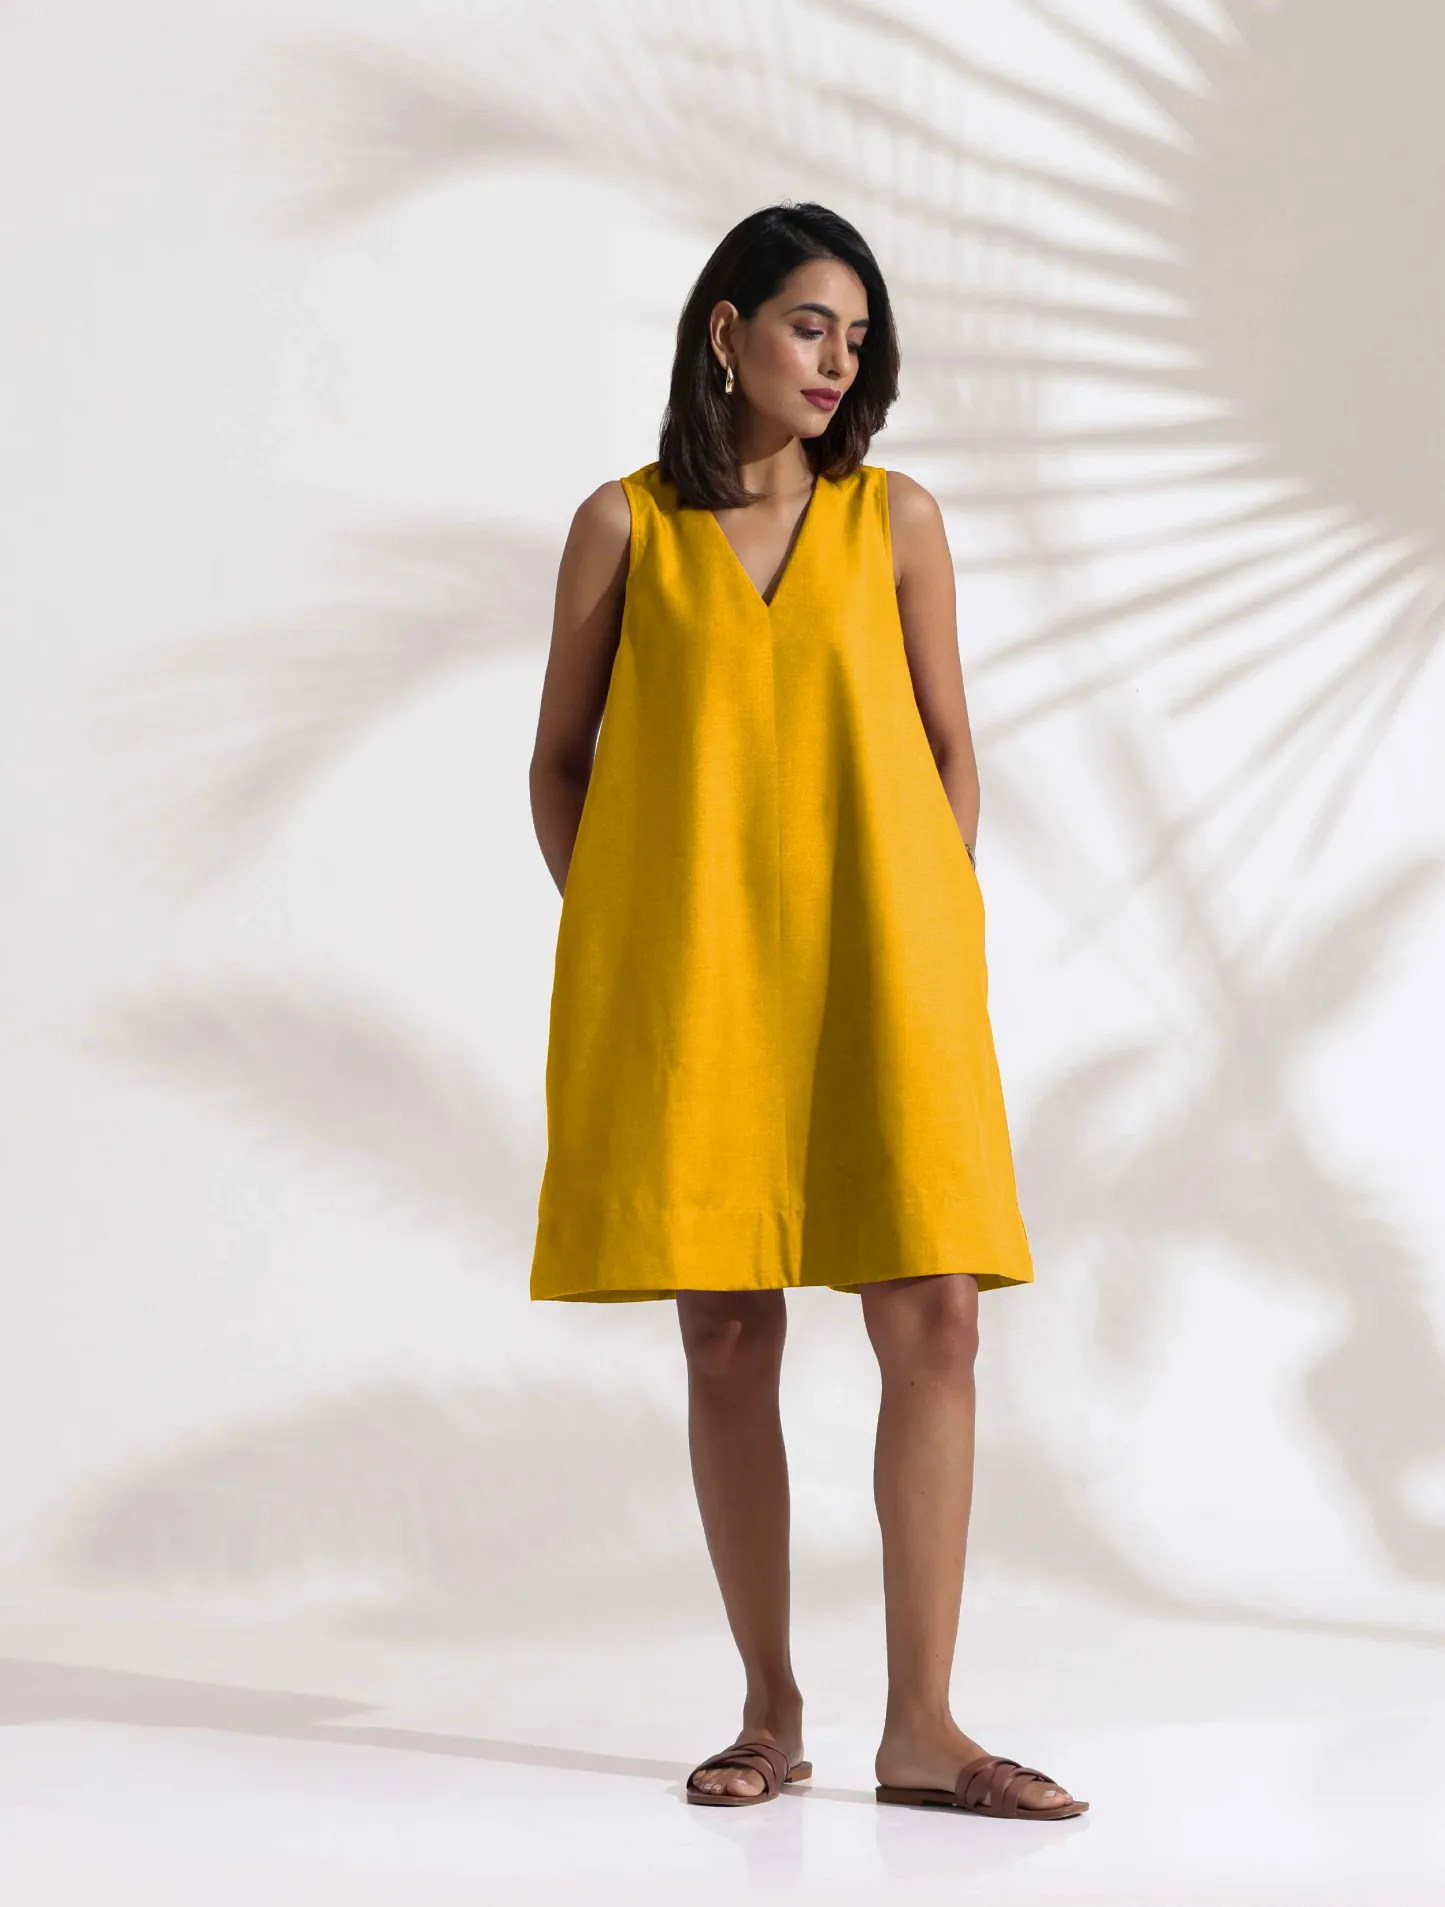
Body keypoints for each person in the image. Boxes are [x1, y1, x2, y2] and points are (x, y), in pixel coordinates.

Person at [527, 202, 1085, 1821]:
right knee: (727, 1332)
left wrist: (934, 905)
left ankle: (925, 1724)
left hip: (886, 956)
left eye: (857, 334)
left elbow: (950, 744)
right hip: (696, 977)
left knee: (939, 1314)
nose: (838, 360)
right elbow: (559, 762)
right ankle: (768, 1709)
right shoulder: (624, 527)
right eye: (807, 325)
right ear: (728, 331)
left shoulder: (896, 518)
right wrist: (636, 934)